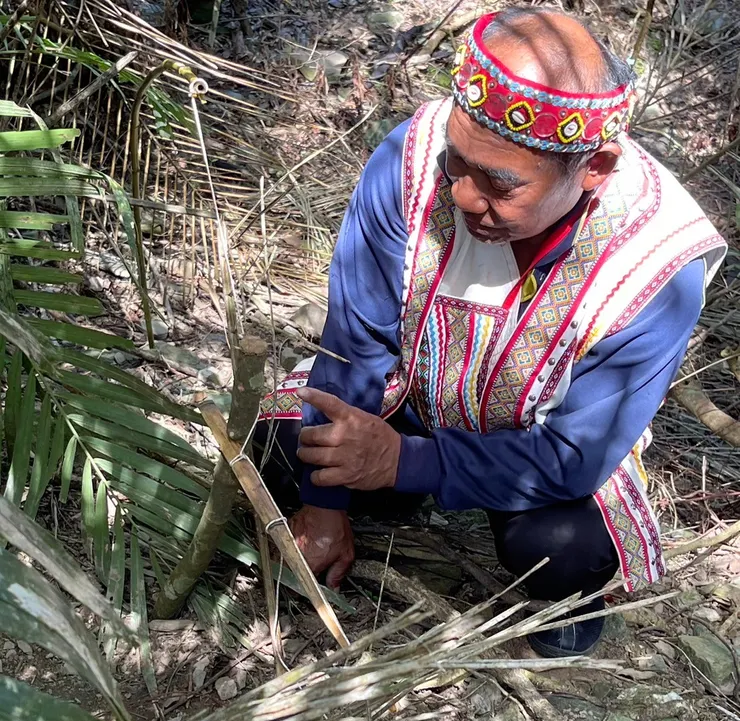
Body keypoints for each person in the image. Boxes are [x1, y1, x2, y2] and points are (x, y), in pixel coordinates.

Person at [255, 7, 726, 658]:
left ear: (594, 167)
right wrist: (326, 505)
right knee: (281, 444)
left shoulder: (658, 264)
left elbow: (571, 457)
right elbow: (355, 342)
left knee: (561, 551)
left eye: (501, 185)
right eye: (458, 162)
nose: (466, 197)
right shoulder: (409, 163)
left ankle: (560, 623)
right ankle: (395, 500)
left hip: (541, 445)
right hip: (418, 394)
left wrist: (401, 462)